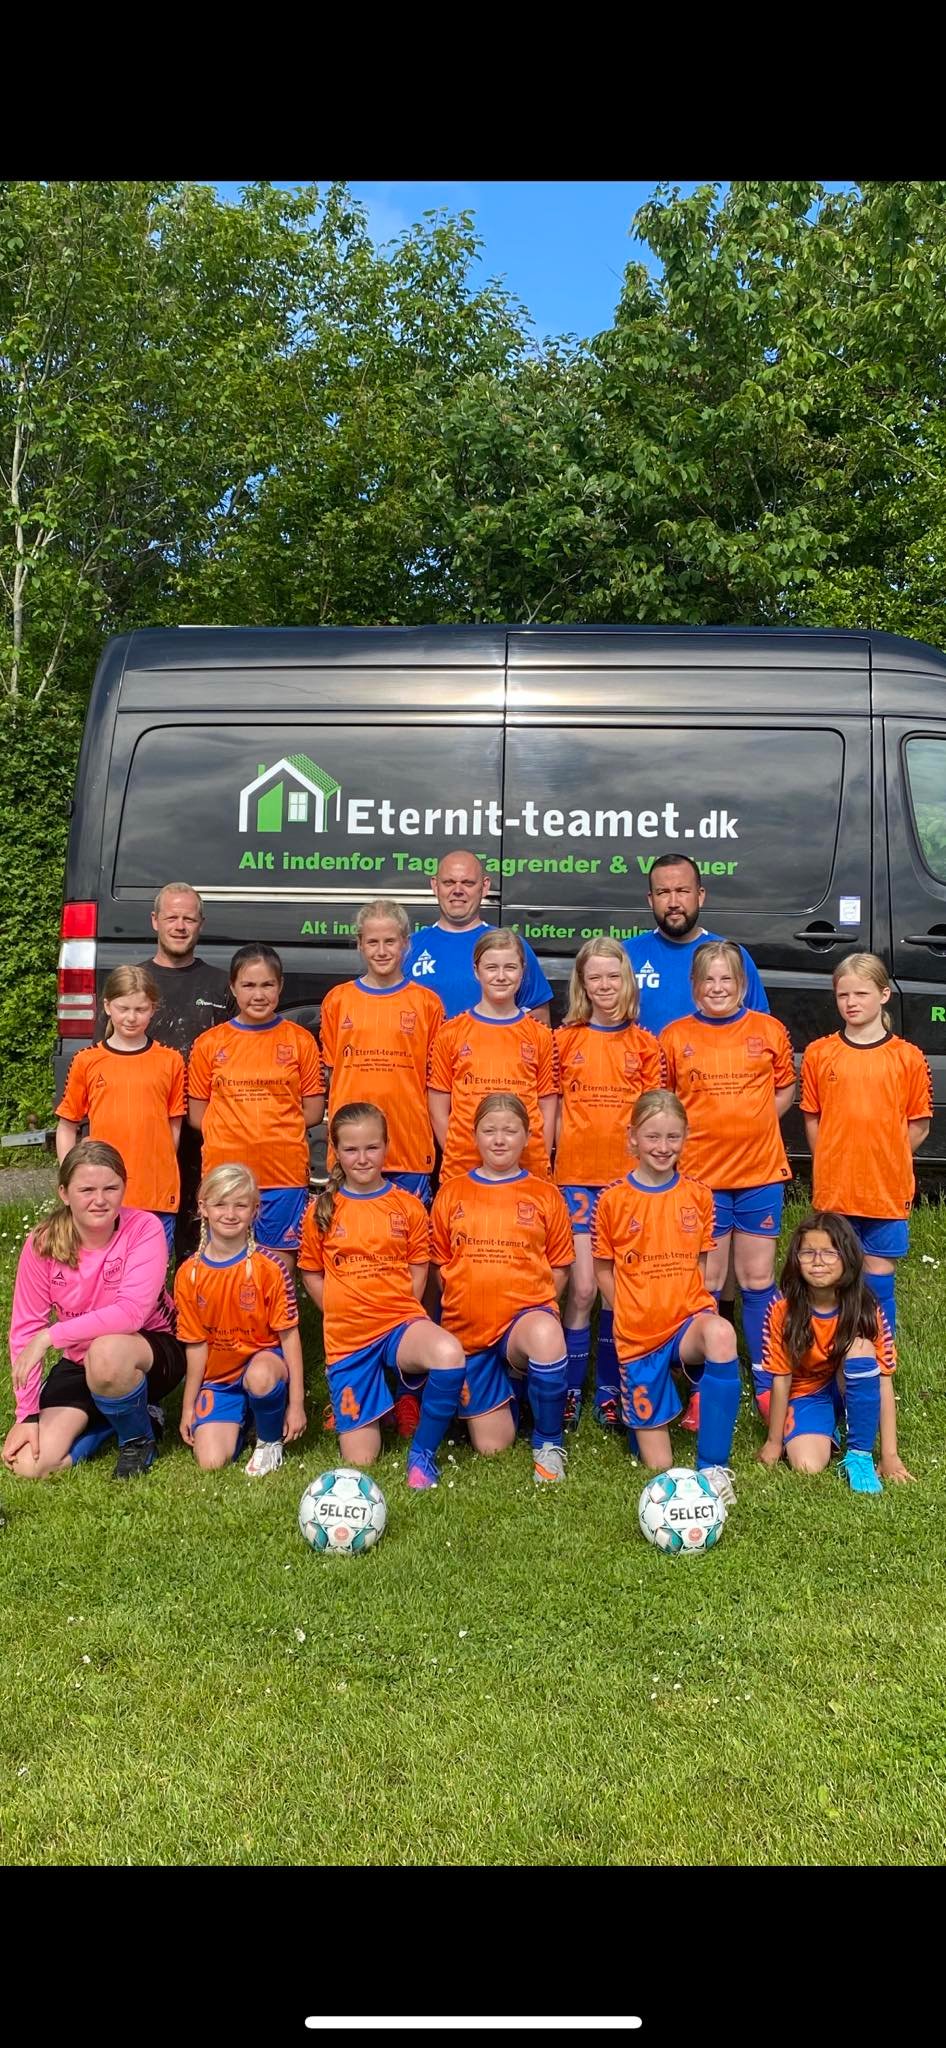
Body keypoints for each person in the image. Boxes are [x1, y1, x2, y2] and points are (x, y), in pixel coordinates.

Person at [297, 1102, 467, 1488]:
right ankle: (381, 1405)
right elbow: (310, 1272)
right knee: (361, 1459)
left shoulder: (407, 1206)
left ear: (386, 1146)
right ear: (335, 1151)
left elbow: (418, 1269)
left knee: (448, 1353)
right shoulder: (322, 1210)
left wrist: (398, 1309)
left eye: (372, 1147)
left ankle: (421, 1456)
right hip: (348, 1339)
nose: (362, 1158)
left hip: (397, 1324)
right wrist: (337, 1309)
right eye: (351, 1149)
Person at [660, 941, 795, 1423]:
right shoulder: (675, 1036)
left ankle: (766, 1381)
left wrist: (755, 1123)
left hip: (760, 1173)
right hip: (701, 1180)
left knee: (758, 1280)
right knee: (709, 1283)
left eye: (727, 979)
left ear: (742, 985)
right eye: (708, 980)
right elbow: (665, 1101)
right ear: (694, 986)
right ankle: (706, 1387)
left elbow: (784, 1087)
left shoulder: (768, 1030)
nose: (718, 988)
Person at [3, 1139, 184, 1480]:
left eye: (110, 1188)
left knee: (106, 1352)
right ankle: (118, 1419)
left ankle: (138, 1440)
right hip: (80, 1359)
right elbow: (26, 1330)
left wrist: (51, 1336)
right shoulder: (42, 1243)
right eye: (86, 1190)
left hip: (148, 1351)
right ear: (64, 1193)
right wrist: (27, 1413)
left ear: (124, 1188)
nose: (100, 1200)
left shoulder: (144, 1228)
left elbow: (131, 1314)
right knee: (28, 1464)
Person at [592, 1090, 740, 1501]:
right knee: (659, 1468)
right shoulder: (612, 1200)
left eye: (673, 1137)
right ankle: (642, 1416)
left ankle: (714, 1468)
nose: (663, 1147)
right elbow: (603, 1269)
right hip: (639, 1335)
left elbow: (701, 1266)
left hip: (685, 1323)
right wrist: (628, 1311)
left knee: (721, 1333)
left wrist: (690, 1308)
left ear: (685, 1137)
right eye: (653, 1136)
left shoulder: (699, 1196)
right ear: (633, 1138)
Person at [430, 1093, 574, 1484]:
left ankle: (548, 1442)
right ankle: (516, 1389)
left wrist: (536, 1307)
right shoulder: (452, 1193)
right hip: (469, 1333)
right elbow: (440, 1266)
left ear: (527, 1137)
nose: (499, 1139)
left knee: (546, 1335)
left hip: (521, 1324)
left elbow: (560, 1266)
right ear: (474, 1136)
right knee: (493, 1446)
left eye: (510, 1131)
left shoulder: (545, 1194)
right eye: (489, 1130)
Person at [553, 937, 664, 1431]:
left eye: (613, 976)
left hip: (628, 1185)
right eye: (594, 977)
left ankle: (612, 1391)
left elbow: (655, 1121)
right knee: (581, 1289)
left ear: (627, 981)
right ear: (582, 983)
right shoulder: (563, 1042)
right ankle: (569, 1390)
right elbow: (552, 1110)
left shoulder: (646, 1045)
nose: (604, 985)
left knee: (621, 1292)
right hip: (577, 1179)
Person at [800, 952, 932, 1336]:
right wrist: (832, 1162)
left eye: (861, 994)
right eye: (843, 995)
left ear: (884, 995)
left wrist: (886, 1159)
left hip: (885, 1190)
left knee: (878, 1275)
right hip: (836, 1188)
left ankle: (879, 1350)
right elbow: (813, 1118)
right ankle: (834, 1347)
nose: (851, 1003)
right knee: (833, 1273)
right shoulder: (820, 1054)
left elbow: (919, 1125)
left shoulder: (907, 1057)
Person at [187, 944, 325, 1270]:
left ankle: (275, 1308)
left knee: (277, 1265)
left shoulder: (300, 1040)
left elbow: (313, 1111)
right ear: (233, 987)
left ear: (280, 986)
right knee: (227, 1262)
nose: (258, 994)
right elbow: (197, 1115)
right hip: (226, 1175)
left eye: (267, 985)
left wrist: (274, 1130)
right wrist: (235, 1134)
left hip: (283, 1174)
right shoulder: (210, 1044)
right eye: (248, 985)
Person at [757, 1211, 911, 1493]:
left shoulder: (866, 1308)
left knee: (861, 1348)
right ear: (796, 1259)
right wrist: (773, 1443)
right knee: (807, 1466)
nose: (818, 1261)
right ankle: (828, 1424)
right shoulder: (782, 1310)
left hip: (846, 1381)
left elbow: (883, 1381)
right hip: (806, 1393)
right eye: (808, 1252)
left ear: (848, 1258)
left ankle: (860, 1455)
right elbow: (781, 1379)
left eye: (829, 1253)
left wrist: (889, 1455)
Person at [174, 1163, 306, 1476]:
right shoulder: (188, 1274)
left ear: (255, 1210)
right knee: (211, 1462)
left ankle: (269, 1440)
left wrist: (297, 1404)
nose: (230, 1214)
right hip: (220, 1380)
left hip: (264, 1364)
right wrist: (188, 1406)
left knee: (260, 1377)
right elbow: (196, 1346)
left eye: (241, 1205)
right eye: (220, 1204)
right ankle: (245, 1417)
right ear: (203, 1208)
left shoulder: (269, 1268)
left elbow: (289, 1337)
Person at [319, 899, 444, 1206]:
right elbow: (333, 1074)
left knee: (408, 1231)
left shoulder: (427, 1003)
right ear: (359, 944)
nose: (382, 951)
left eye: (390, 941)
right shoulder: (338, 1000)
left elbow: (436, 1083)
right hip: (351, 1151)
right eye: (373, 942)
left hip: (409, 1148)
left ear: (405, 943)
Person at [56, 965, 186, 1257]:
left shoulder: (171, 1061)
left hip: (156, 1194)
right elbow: (67, 1126)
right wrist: (72, 1176)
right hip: (103, 1195)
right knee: (103, 1271)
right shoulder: (87, 1061)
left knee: (150, 1275)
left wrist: (159, 1169)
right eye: (123, 1008)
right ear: (107, 1006)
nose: (131, 1017)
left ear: (153, 1009)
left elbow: (173, 1127)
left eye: (140, 1009)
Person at [143, 883, 233, 1261]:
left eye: (188, 919)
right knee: (143, 1234)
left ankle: (194, 1292)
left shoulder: (221, 985)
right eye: (171, 918)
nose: (180, 926)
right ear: (155, 921)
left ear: (201, 924)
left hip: (203, 1130)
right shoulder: (134, 984)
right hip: (148, 1130)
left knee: (198, 1232)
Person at [428, 929, 558, 1184]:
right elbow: (438, 1108)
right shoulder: (450, 1033)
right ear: (476, 971)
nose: (500, 976)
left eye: (510, 967)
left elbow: (547, 1107)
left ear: (522, 971)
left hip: (527, 1168)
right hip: (463, 1168)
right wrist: (456, 1152)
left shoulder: (540, 1035)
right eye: (491, 967)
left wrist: (538, 1155)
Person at [621, 853, 768, 1037]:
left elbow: (760, 1030)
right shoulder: (625, 956)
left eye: (682, 891)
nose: (673, 903)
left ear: (700, 896)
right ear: (651, 900)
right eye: (663, 893)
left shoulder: (733, 957)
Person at [405, 850, 552, 1021]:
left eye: (467, 883)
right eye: (449, 882)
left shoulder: (511, 947)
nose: (457, 890)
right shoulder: (408, 948)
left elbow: (539, 1020)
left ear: (485, 886)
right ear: (435, 886)